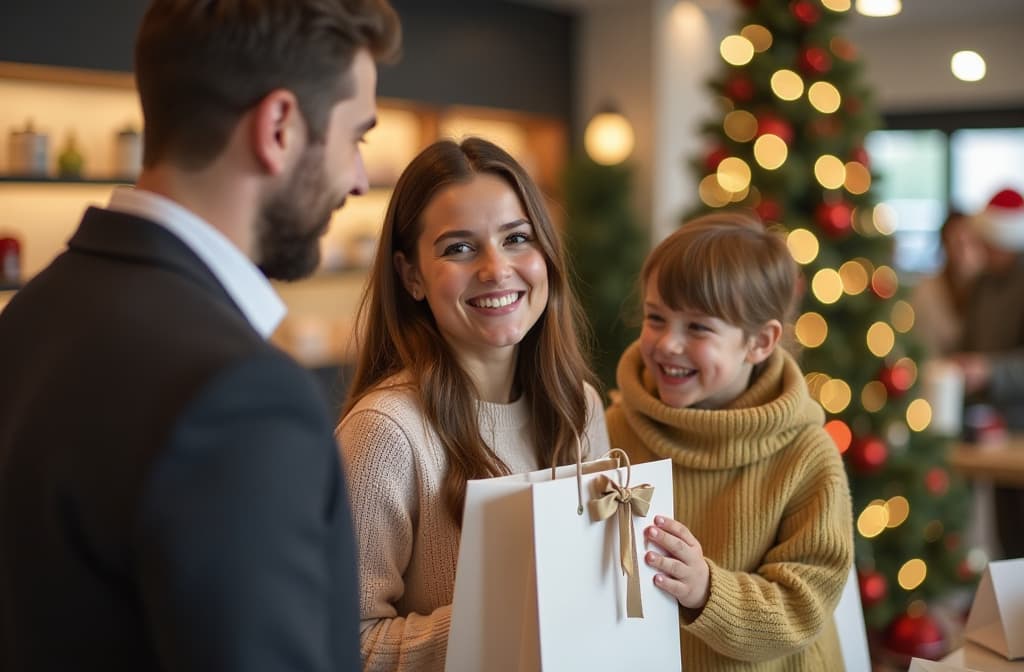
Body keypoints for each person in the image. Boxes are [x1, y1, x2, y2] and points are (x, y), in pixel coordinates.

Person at [0, 1, 400, 670]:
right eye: (355, 137)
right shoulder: (242, 396)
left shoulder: (31, 314)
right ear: (278, 127)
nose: (358, 179)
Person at [337, 136, 610, 671]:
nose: (496, 269)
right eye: (459, 247)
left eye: (517, 238)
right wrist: (505, 614)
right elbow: (344, 644)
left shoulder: (580, 407)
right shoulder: (386, 431)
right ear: (411, 275)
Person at [605, 212, 854, 670]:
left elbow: (805, 604)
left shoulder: (805, 454)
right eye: (656, 318)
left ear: (760, 342)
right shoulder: (613, 432)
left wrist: (706, 591)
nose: (667, 344)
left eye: (698, 328)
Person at [951, 187, 1024, 558]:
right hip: (993, 429)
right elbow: (968, 340)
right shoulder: (981, 284)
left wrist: (990, 370)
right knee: (1007, 539)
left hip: (1021, 429)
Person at [910, 210, 987, 358]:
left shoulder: (992, 289)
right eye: (956, 243)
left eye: (970, 242)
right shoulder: (925, 291)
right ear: (944, 245)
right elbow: (922, 349)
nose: (963, 252)